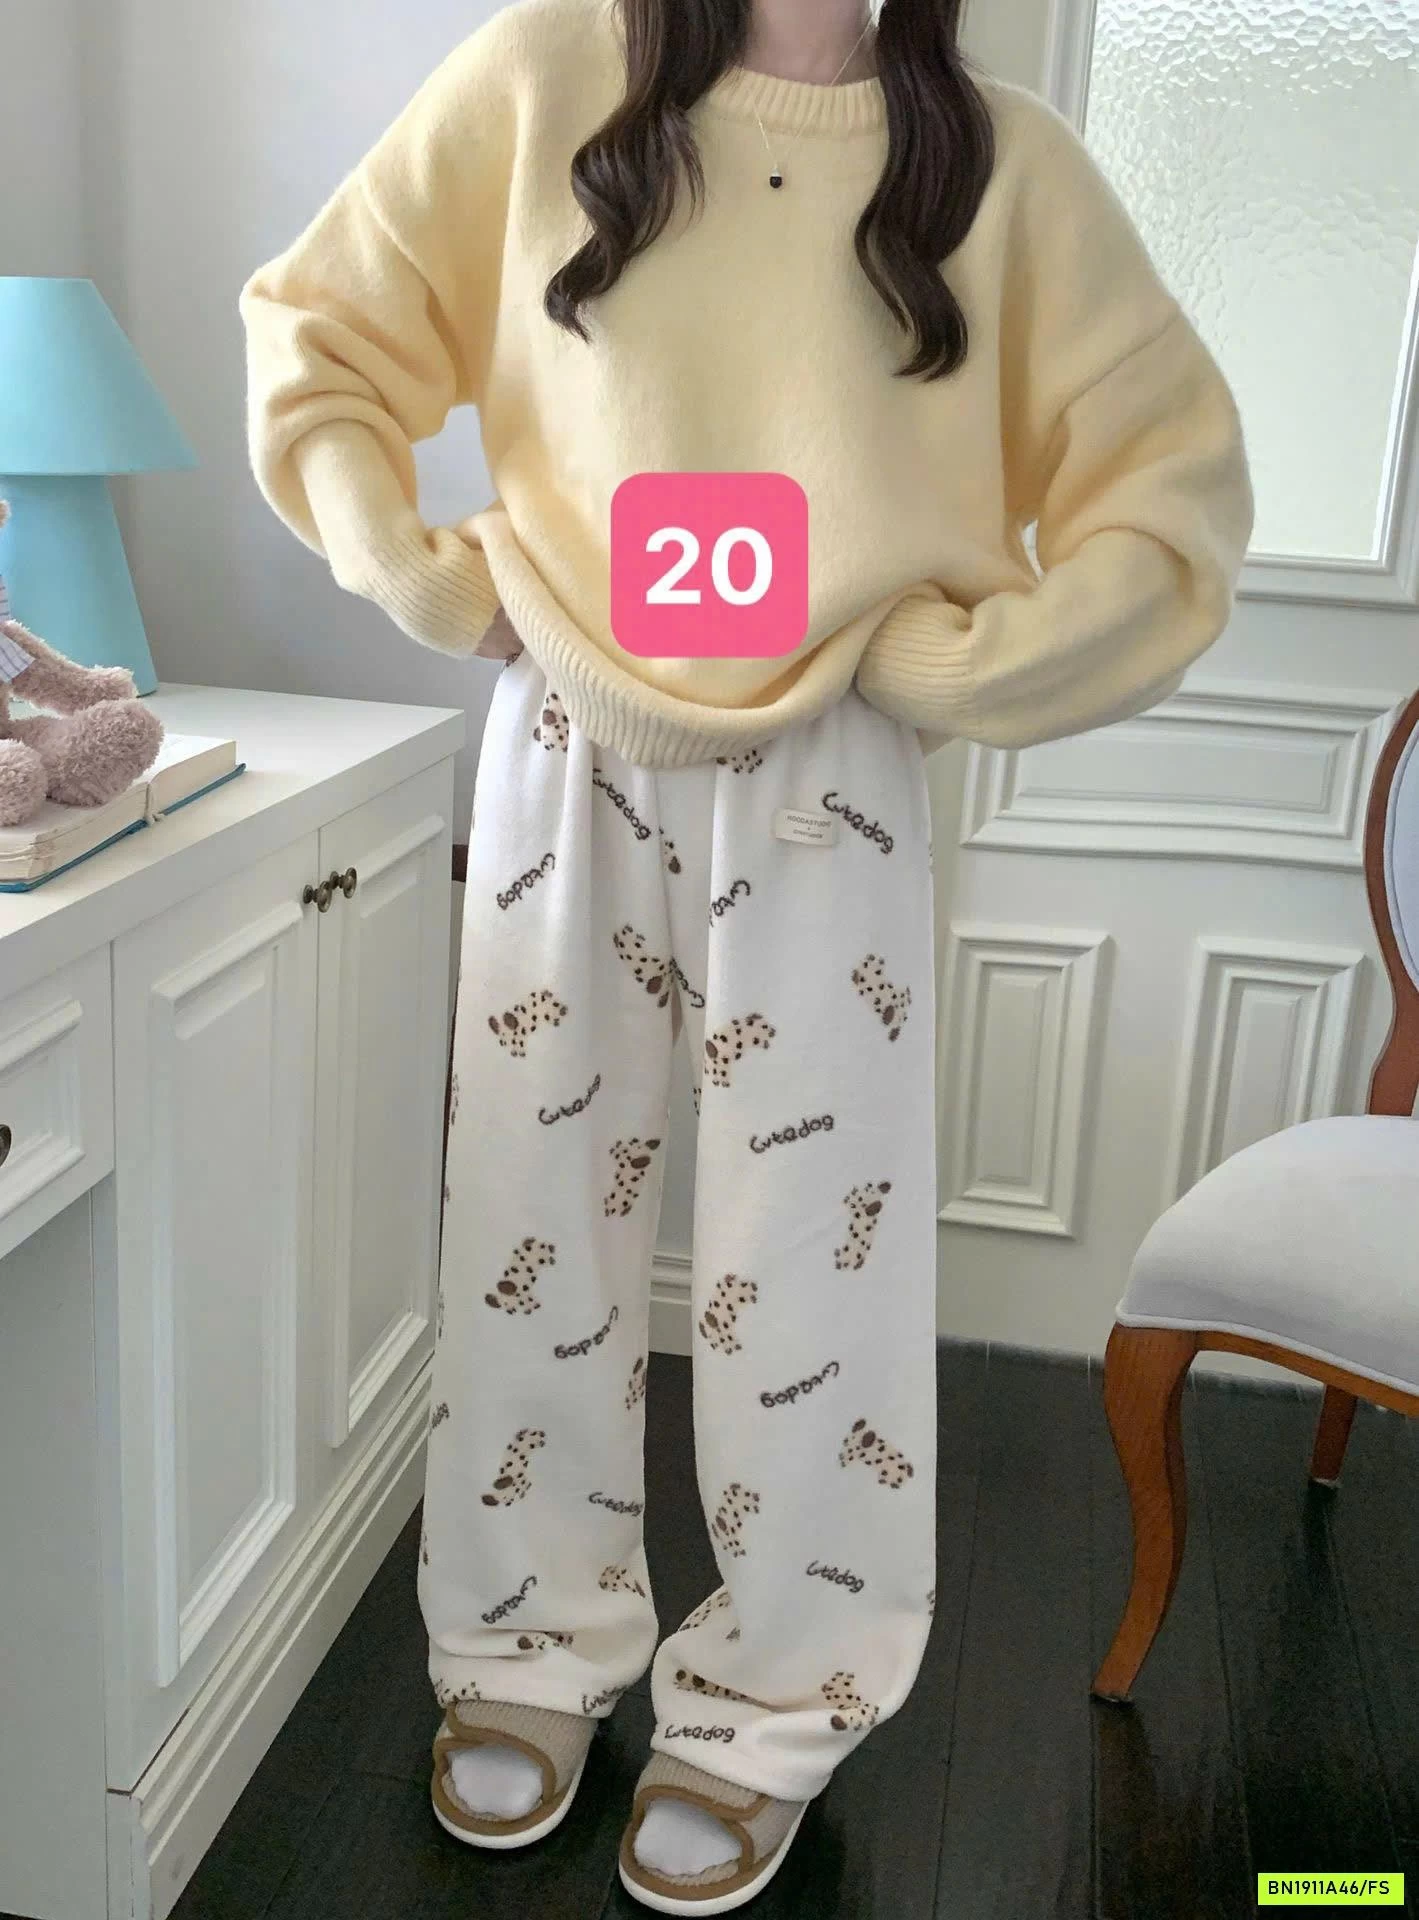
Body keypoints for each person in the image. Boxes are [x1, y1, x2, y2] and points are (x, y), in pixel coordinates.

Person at [239, 0, 1253, 1906]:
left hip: (829, 775)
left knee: (813, 1262)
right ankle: (523, 1645)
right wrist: (433, 579)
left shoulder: (1000, 165)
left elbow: (1170, 493)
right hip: (570, 731)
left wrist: (951, 659)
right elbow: (319, 336)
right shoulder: (546, 75)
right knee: (531, 1213)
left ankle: (775, 1703)